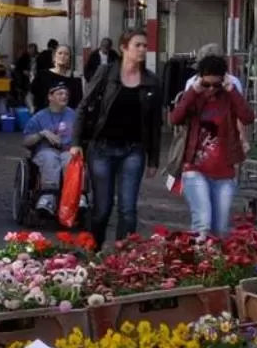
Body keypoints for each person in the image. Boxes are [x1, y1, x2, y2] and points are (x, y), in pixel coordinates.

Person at [72, 29, 160, 247]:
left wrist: (154, 159)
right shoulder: (106, 72)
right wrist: (75, 143)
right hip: (101, 148)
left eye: (144, 46)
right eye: (137, 45)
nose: (142, 50)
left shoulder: (151, 81)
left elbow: (154, 123)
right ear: (124, 48)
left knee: (128, 208)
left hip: (133, 149)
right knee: (102, 208)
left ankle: (122, 258)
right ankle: (93, 249)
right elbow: (83, 107)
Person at [169, 53, 255, 236]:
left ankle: (213, 262)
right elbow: (175, 118)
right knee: (203, 223)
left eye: (216, 85)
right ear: (200, 79)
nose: (211, 89)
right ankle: (198, 260)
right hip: (194, 168)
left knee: (221, 229)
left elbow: (248, 117)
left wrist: (231, 91)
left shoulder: (229, 96)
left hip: (224, 170)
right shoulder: (194, 95)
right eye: (207, 84)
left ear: (223, 80)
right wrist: (193, 92)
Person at [23, 81, 79, 213]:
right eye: (60, 93)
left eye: (66, 94)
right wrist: (42, 134)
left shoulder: (74, 115)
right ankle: (48, 197)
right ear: (50, 97)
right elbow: (26, 142)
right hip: (45, 151)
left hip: (66, 150)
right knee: (50, 158)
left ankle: (74, 198)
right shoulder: (39, 117)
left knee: (71, 159)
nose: (64, 96)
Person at [32, 44, 83, 110]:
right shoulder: (43, 75)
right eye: (60, 53)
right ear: (54, 57)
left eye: (66, 54)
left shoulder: (75, 79)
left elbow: (78, 103)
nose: (63, 56)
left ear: (69, 59)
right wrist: (31, 108)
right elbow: (31, 93)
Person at [12, 42, 38, 112]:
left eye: (32, 49)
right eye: (29, 49)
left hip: (35, 78)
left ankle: (31, 107)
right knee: (27, 94)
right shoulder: (25, 57)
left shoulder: (38, 57)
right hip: (26, 80)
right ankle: (28, 107)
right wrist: (24, 71)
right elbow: (18, 67)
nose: (30, 51)